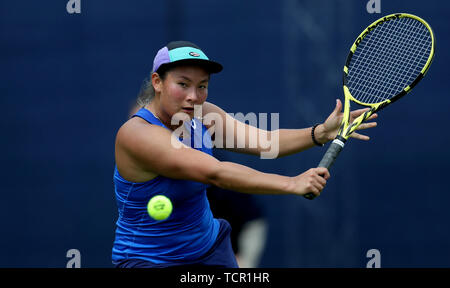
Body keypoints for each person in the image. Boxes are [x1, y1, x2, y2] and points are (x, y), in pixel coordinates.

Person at [111, 41, 377, 268]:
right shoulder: (137, 134)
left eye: (202, 86)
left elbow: (266, 142)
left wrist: (318, 133)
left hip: (210, 250)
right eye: (183, 84)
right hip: (148, 260)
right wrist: (292, 183)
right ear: (157, 82)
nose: (194, 96)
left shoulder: (203, 115)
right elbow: (217, 173)